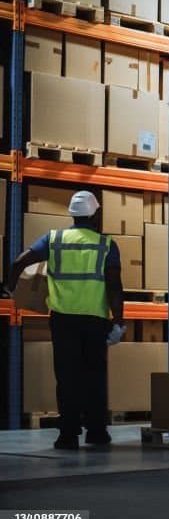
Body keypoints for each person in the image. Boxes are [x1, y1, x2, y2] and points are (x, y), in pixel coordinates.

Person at [6, 191, 126, 450]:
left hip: (63, 321)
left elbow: (18, 262)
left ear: (73, 214)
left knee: (67, 377)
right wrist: (119, 322)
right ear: (95, 214)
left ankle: (68, 435)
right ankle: (96, 432)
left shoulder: (54, 240)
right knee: (94, 376)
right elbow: (115, 287)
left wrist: (12, 289)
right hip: (95, 321)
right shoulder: (106, 245)